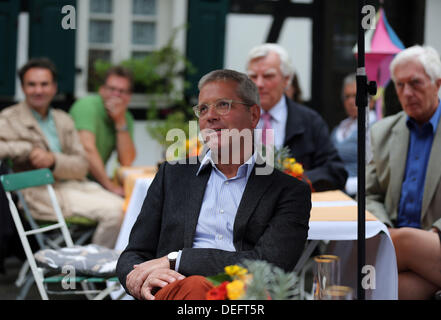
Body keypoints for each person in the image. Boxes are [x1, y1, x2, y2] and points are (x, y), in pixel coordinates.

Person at [116, 69, 311, 300]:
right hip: (173, 293)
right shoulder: (172, 175)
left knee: (197, 287)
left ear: (254, 115)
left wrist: (177, 260)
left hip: (243, 298)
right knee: (193, 289)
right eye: (203, 108)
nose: (210, 115)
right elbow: (133, 255)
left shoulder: (288, 191)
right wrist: (141, 279)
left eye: (223, 105)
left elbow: (270, 266)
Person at [0, 58, 124, 248]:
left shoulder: (63, 119)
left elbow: (82, 165)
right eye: (31, 85)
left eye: (44, 84)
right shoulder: (9, 118)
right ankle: (94, 268)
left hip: (76, 185)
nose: (38, 90)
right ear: (23, 88)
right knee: (115, 212)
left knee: (128, 206)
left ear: (54, 87)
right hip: (40, 194)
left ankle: (97, 262)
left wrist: (52, 160)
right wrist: (26, 149)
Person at [366, 45, 441, 299]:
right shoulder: (383, 132)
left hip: (434, 240)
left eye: (416, 83)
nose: (407, 93)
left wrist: (433, 235)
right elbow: (369, 194)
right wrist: (384, 227)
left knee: (404, 241)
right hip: (398, 243)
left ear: (437, 83)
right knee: (384, 290)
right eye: (399, 85)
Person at [246, 43, 347, 192]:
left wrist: (296, 179)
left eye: (268, 76)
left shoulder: (310, 121)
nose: (259, 84)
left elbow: (335, 171)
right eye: (253, 76)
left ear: (287, 80)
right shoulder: (232, 120)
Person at [69, 66, 136, 196]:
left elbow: (126, 161)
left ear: (129, 97)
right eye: (112, 89)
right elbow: (87, 150)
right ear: (101, 90)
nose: (116, 95)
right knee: (123, 208)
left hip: (94, 183)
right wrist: (110, 187)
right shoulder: (87, 106)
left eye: (122, 91)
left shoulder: (125, 117)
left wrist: (120, 121)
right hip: (73, 181)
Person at [331, 73, 377, 196]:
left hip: (361, 195)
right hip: (335, 193)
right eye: (347, 96)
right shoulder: (338, 129)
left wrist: (347, 185)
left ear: (371, 101)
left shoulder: (376, 128)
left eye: (355, 95)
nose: (351, 101)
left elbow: (378, 173)